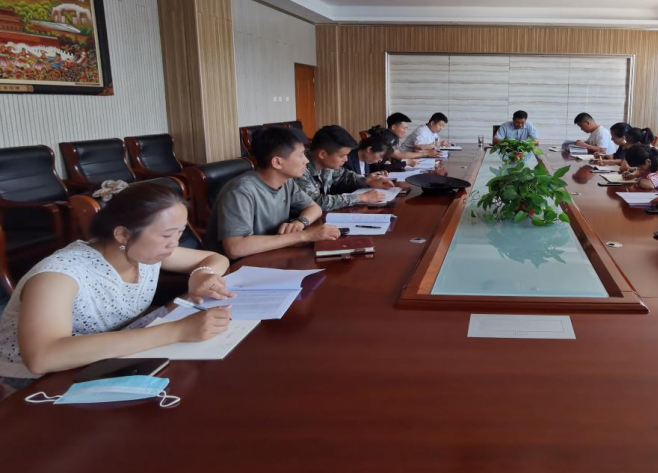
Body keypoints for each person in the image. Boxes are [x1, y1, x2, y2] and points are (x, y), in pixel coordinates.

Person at [0, 183, 233, 397]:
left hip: (108, 357)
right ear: (122, 234)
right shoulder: (58, 275)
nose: (174, 243)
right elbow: (42, 357)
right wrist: (176, 331)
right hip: (36, 384)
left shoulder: (145, 252)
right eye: (166, 234)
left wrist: (202, 274)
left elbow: (216, 259)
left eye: (180, 232)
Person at [208, 126, 340, 259]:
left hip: (270, 255)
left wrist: (300, 222)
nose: (306, 160)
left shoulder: (286, 182)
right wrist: (303, 236)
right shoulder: (240, 191)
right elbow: (235, 248)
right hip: (237, 265)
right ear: (277, 162)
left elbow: (314, 208)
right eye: (300, 155)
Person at [296, 126, 394, 210]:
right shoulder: (300, 169)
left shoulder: (327, 165)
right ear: (322, 154)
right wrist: (361, 197)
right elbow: (315, 203)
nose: (346, 159)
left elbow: (344, 175)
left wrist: (369, 181)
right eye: (342, 156)